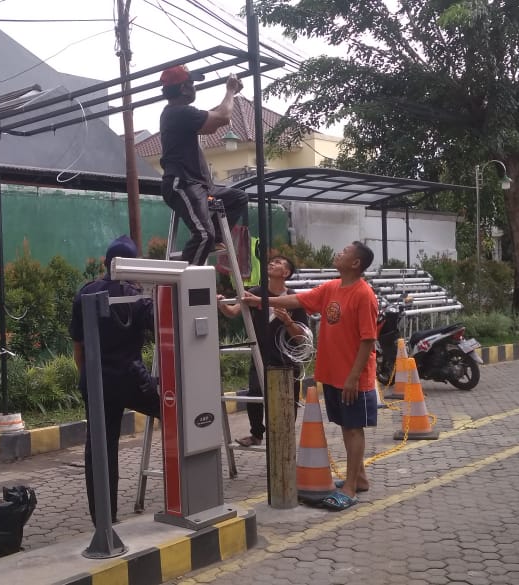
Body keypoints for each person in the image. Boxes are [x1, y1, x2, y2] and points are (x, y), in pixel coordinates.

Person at [242, 242, 378, 511]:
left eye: (345, 251)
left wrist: (353, 377)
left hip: (353, 377)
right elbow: (297, 300)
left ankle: (350, 488)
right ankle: (359, 478)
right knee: (345, 426)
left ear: (355, 264)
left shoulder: (364, 295)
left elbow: (368, 340)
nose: (339, 252)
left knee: (353, 429)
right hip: (332, 373)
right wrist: (260, 301)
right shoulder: (332, 288)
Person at [69, 235, 159, 524]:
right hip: (133, 380)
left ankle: (104, 519)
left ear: (106, 262)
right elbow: (166, 332)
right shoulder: (138, 296)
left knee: (100, 449)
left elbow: (78, 347)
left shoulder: (86, 292)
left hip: (97, 382)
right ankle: (186, 492)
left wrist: (87, 379)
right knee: (182, 414)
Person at [159, 64, 249, 265]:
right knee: (203, 235)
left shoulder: (181, 115)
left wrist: (230, 95)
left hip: (201, 186)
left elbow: (211, 124)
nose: (194, 88)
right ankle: (188, 284)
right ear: (183, 88)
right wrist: (230, 91)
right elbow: (223, 117)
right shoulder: (178, 113)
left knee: (238, 198)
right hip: (182, 183)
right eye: (191, 83)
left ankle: (215, 240)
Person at [217, 255, 309, 447]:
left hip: (286, 359)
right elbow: (234, 312)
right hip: (261, 355)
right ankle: (256, 434)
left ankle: (284, 438)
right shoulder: (256, 292)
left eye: (278, 263)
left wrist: (287, 321)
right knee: (255, 395)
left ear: (286, 273)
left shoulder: (292, 299)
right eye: (271, 261)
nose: (272, 263)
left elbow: (301, 338)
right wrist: (221, 303)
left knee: (288, 401)